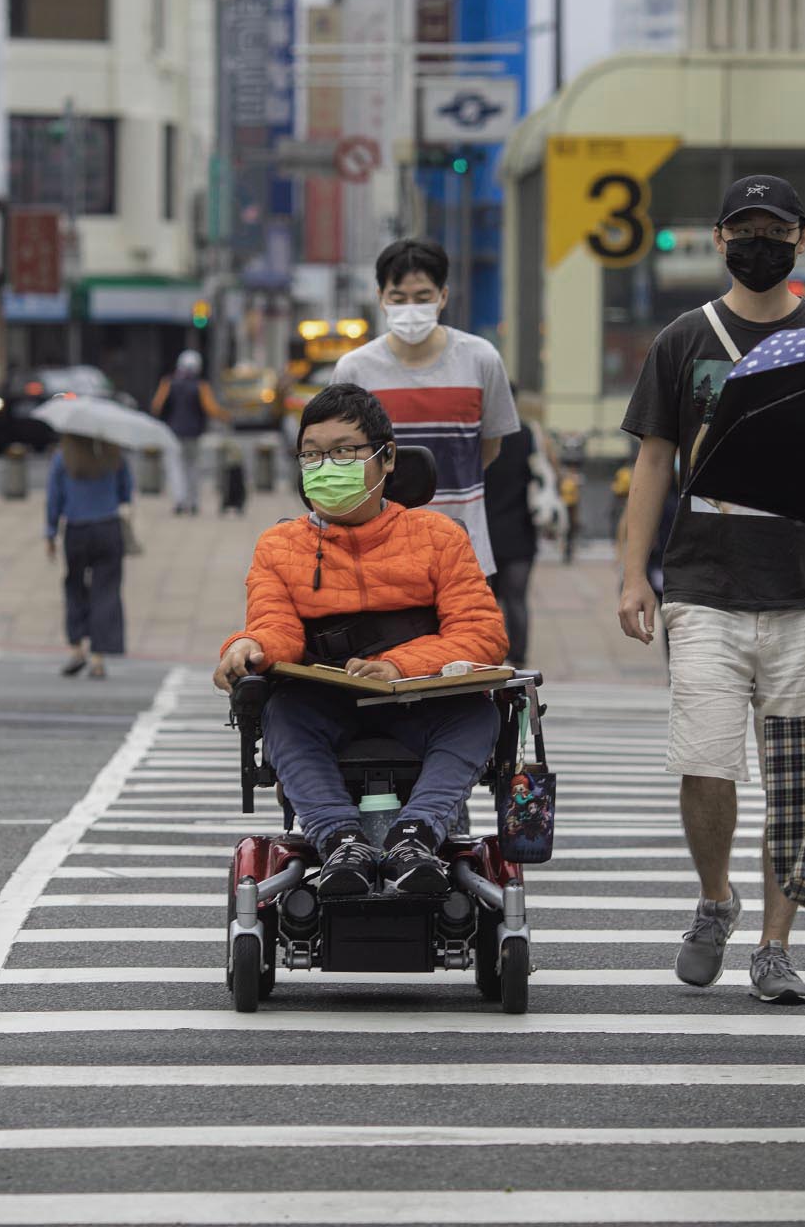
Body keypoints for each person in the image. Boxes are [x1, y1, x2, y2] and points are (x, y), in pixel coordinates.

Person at [614, 173, 805, 1007]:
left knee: (797, 776)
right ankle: (715, 898)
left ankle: (775, 946)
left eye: (774, 229)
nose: (760, 243)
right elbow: (652, 460)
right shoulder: (685, 339)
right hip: (705, 580)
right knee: (706, 759)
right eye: (744, 229)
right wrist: (632, 574)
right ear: (719, 240)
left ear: (801, 239)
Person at [213, 384, 508, 895]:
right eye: (313, 454)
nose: (327, 466)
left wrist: (398, 667)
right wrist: (245, 648)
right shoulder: (280, 546)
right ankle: (338, 839)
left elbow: (482, 634)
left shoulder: (439, 536)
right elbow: (275, 627)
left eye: (345, 451)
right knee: (283, 714)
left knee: (480, 714)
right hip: (326, 704)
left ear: (386, 457)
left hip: (422, 703)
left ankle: (417, 834)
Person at [332, 239, 518, 575]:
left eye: (422, 298)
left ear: (443, 296)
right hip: (378, 556)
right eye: (399, 298)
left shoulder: (481, 359)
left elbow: (489, 447)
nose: (410, 308)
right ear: (381, 299)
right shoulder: (354, 370)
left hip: (464, 552)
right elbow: (340, 458)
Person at [483, 387, 563, 666]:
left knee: (485, 603)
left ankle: (489, 656)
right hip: (519, 532)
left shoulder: (477, 436)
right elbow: (548, 474)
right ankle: (519, 659)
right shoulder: (527, 434)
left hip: (483, 534)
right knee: (517, 600)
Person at [47, 434, 132, 680]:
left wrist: (50, 532)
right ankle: (98, 658)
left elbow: (54, 497)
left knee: (74, 586)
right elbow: (125, 492)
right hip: (108, 526)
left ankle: (76, 648)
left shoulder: (64, 456)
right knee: (106, 590)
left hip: (76, 529)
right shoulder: (113, 454)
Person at [152, 349, 230, 515]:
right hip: (194, 433)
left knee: (175, 467)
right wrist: (225, 416)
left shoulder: (168, 383)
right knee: (193, 467)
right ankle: (193, 502)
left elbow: (157, 406)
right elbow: (211, 409)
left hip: (173, 432)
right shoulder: (201, 386)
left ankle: (180, 501)